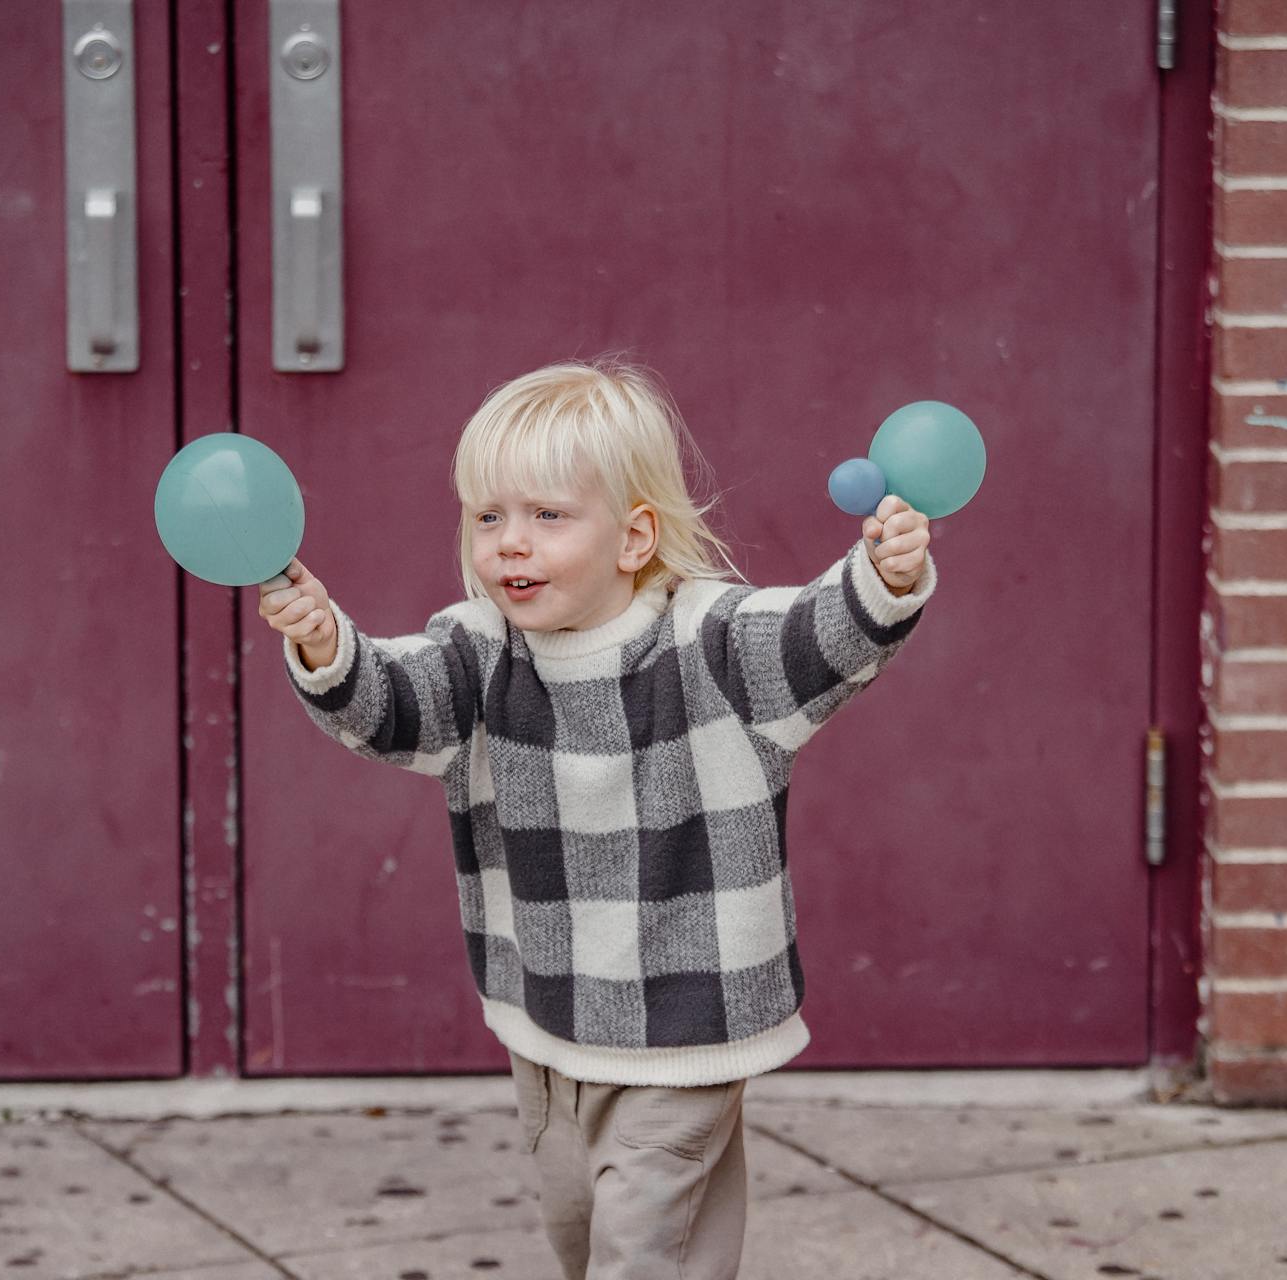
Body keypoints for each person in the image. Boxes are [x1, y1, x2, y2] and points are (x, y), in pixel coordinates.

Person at [257, 359, 934, 1279]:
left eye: (547, 516)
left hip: (686, 1026)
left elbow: (819, 635)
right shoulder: (480, 652)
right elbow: (393, 708)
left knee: (647, 1249)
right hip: (549, 1018)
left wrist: (882, 575)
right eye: (488, 517)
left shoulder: (715, 643)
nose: (509, 545)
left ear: (633, 537)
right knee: (580, 1235)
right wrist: (325, 640)